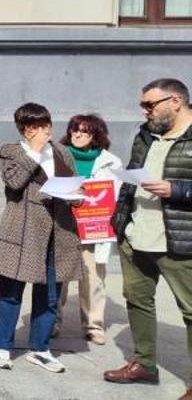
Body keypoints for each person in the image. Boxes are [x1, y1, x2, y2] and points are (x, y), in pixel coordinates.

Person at [104, 79, 192, 397]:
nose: (145, 111)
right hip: (136, 234)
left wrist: (177, 190)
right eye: (143, 105)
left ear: (176, 101)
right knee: (138, 300)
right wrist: (120, 222)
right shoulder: (145, 134)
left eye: (150, 105)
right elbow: (131, 175)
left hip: (179, 240)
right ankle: (144, 364)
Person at [0, 102, 82, 373]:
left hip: (59, 230)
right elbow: (14, 182)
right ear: (24, 129)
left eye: (47, 126)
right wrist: (37, 152)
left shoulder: (63, 152)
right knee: (11, 293)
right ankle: (2, 345)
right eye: (36, 127)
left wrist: (78, 197)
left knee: (50, 295)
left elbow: (74, 183)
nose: (44, 131)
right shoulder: (10, 151)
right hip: (23, 229)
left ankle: (40, 348)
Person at [54, 113, 121, 345]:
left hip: (94, 229)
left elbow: (116, 196)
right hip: (63, 225)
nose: (78, 134)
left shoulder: (110, 161)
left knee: (93, 279)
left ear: (96, 135)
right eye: (74, 130)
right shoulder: (57, 155)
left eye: (84, 131)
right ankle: (52, 321)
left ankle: (93, 325)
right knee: (57, 277)